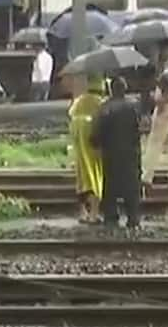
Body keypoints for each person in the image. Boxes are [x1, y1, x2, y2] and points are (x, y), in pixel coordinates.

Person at [93, 77, 142, 228]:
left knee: (110, 186)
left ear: (111, 89)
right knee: (131, 186)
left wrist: (95, 143)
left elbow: (97, 132)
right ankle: (133, 217)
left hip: (110, 153)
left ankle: (111, 217)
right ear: (124, 89)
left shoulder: (105, 108)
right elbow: (138, 130)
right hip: (130, 153)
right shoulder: (134, 107)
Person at [142, 42, 168, 191]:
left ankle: (146, 176)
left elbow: (165, 89)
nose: (159, 52)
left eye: (162, 49)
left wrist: (155, 99)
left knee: (155, 141)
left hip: (166, 107)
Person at [69, 75, 104, 223]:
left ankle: (83, 212)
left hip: (78, 145)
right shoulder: (99, 103)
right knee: (94, 178)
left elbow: (70, 114)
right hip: (93, 147)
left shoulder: (79, 102)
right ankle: (94, 214)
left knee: (81, 178)